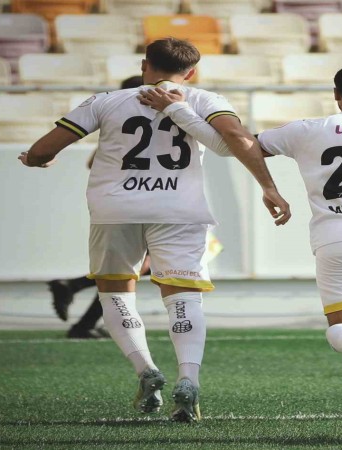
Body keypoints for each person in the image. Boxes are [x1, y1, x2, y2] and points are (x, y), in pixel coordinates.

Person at [139, 62, 342, 419]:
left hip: (339, 238)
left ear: (336, 95)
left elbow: (231, 145)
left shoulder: (308, 129)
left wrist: (178, 109)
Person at [19, 38, 291, 423]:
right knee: (183, 296)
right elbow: (237, 139)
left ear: (144, 64)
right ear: (191, 72)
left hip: (116, 209)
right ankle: (188, 378)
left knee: (116, 293)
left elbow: (43, 149)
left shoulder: (106, 101)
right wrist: (268, 186)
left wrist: (36, 160)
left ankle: (146, 369)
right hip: (179, 210)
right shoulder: (205, 99)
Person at [47, 76, 147, 340]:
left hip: (122, 202)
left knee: (130, 267)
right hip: (147, 203)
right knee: (134, 267)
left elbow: (93, 162)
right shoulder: (150, 122)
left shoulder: (118, 121)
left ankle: (81, 308)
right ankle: (83, 314)